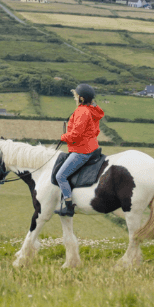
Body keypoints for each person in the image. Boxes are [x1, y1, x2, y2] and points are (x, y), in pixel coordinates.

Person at [55, 83, 105, 217]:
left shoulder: (82, 111)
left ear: (81, 99)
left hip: (82, 150)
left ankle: (69, 207)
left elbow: (76, 134)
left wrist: (63, 137)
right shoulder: (92, 109)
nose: (74, 98)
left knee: (60, 176)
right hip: (91, 146)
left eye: (76, 96)